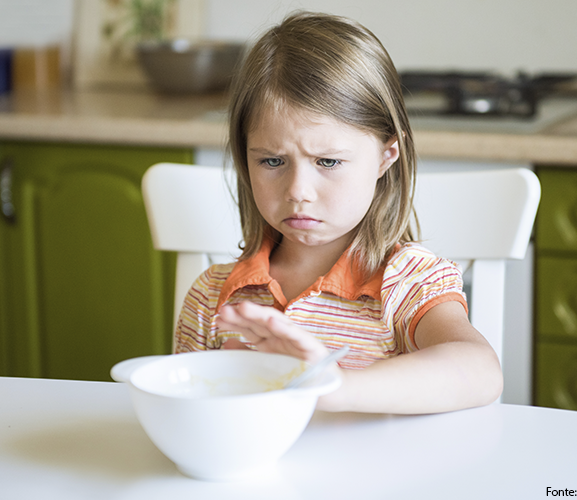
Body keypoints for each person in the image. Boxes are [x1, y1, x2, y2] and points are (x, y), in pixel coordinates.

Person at [175, 11, 503, 414]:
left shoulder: (406, 284)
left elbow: (481, 370)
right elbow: (184, 413)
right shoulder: (213, 297)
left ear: (386, 156)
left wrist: (332, 385)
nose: (298, 191)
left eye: (328, 162)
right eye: (272, 162)